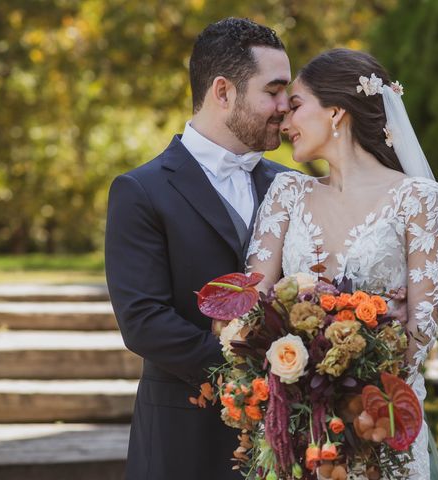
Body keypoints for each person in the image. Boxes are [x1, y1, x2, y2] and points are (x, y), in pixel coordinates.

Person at [246, 48, 438, 479]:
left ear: (337, 112)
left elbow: (422, 332)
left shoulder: (418, 200)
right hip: (298, 425)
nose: (284, 123)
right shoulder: (287, 194)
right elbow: (253, 307)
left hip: (382, 425)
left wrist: (351, 396)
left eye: (296, 106)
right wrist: (304, 387)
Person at [105, 18, 291, 479]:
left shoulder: (294, 188)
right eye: (274, 90)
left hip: (289, 436)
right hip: (182, 439)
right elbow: (144, 322)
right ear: (223, 91)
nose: (286, 107)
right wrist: (255, 376)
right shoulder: (140, 191)